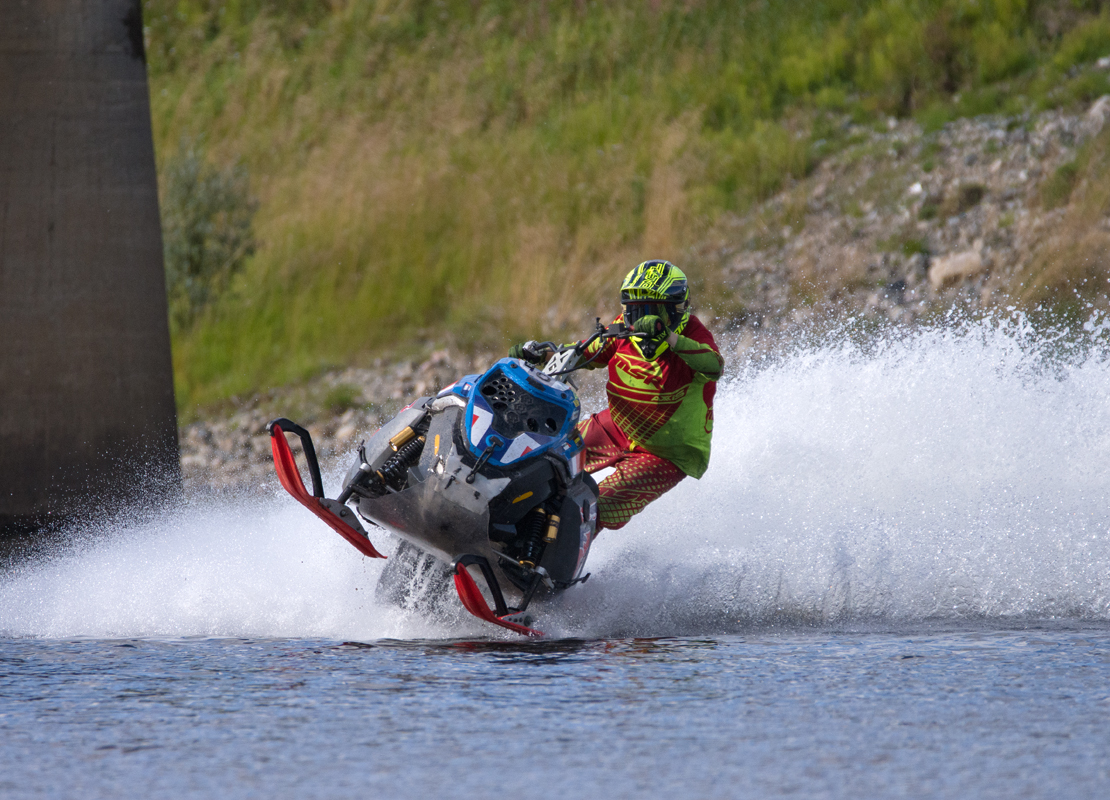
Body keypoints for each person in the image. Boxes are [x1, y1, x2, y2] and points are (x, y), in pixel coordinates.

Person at [510, 260, 723, 532]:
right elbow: (585, 354)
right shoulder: (624, 327)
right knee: (542, 459)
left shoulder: (694, 334)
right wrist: (540, 356)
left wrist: (668, 337)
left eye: (654, 312)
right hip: (615, 426)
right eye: (636, 311)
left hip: (666, 455)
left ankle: (550, 567)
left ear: (676, 310)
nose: (643, 320)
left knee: (591, 510)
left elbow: (714, 366)